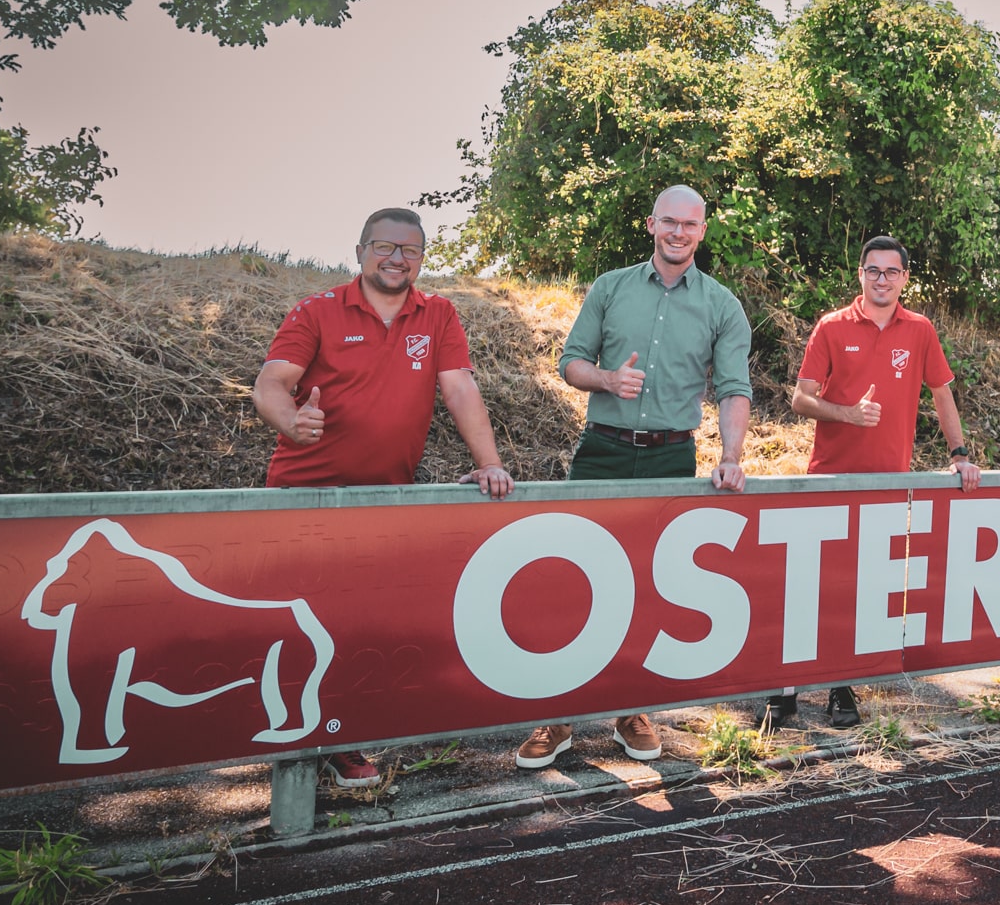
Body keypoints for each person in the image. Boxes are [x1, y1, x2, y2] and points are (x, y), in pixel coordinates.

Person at [253, 207, 515, 787]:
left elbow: (459, 387)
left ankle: (338, 738)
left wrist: (490, 464)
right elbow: (271, 382)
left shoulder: (439, 314)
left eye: (409, 250)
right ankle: (293, 742)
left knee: (355, 625)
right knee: (300, 625)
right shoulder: (318, 310)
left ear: (422, 258)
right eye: (384, 247)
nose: (397, 259)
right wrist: (293, 421)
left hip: (381, 502)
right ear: (361, 251)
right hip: (305, 497)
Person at [514, 184, 754, 770]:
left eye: (690, 224)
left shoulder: (722, 305)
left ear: (702, 231)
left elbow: (733, 388)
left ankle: (633, 710)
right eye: (669, 222)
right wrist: (604, 381)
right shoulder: (610, 287)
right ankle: (558, 715)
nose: (678, 232)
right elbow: (569, 362)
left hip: (673, 458)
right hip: (602, 450)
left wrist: (732, 454)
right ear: (651, 225)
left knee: (652, 588)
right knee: (571, 582)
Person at [759, 235, 981, 729]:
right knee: (810, 587)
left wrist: (960, 454)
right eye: (873, 271)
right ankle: (785, 690)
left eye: (891, 272)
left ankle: (842, 686)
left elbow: (943, 396)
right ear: (860, 275)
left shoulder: (920, 330)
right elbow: (800, 399)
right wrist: (847, 414)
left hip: (886, 485)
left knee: (862, 591)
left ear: (904, 278)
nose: (882, 279)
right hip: (830, 480)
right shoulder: (833, 326)